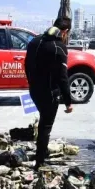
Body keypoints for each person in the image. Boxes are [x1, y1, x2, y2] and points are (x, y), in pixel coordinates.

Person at [24, 17, 74, 169]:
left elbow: (26, 65)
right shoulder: (59, 47)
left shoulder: (34, 41)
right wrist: (68, 101)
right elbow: (63, 77)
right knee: (45, 126)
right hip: (50, 93)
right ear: (65, 31)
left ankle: (42, 151)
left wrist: (31, 83)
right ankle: (40, 161)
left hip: (34, 90)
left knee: (43, 123)